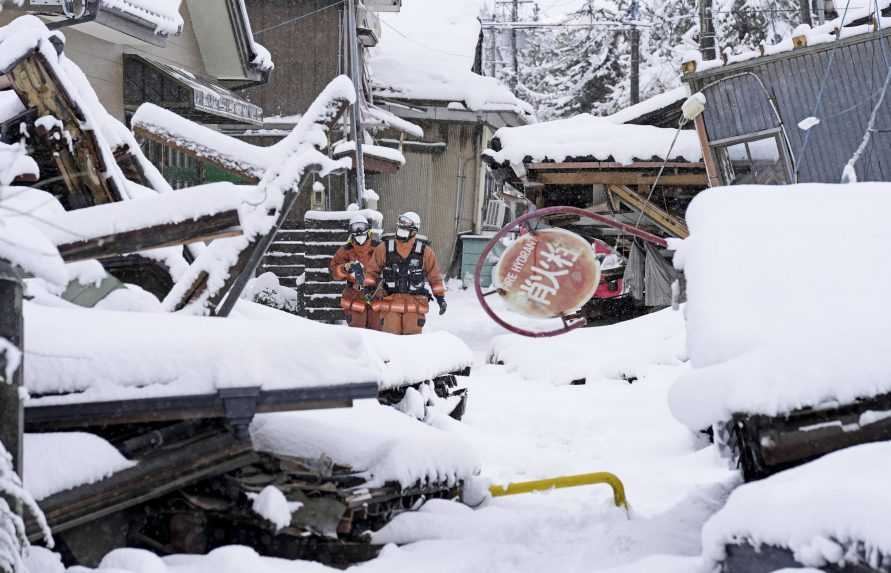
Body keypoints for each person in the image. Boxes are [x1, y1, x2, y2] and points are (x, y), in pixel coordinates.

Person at [364, 211, 446, 335]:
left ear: (414, 231)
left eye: (405, 229)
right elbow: (371, 271)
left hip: (415, 305)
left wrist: (440, 298)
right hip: (389, 303)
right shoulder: (384, 248)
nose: (401, 231)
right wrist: (369, 289)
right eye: (400, 227)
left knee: (412, 342)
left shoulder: (425, 252)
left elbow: (434, 277)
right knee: (389, 339)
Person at [329, 213, 380, 329]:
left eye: (361, 228)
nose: (359, 232)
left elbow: (389, 264)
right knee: (357, 333)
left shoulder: (378, 248)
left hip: (376, 294)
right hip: (354, 295)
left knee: (378, 333)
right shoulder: (346, 250)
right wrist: (345, 268)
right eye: (355, 228)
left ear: (368, 230)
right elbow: (334, 272)